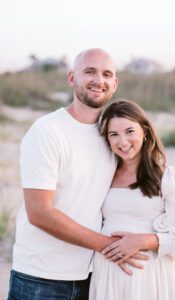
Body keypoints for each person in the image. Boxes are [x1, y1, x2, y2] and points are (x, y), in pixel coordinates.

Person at [8, 49, 143, 300]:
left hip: (90, 276)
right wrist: (109, 247)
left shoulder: (113, 136)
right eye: (89, 72)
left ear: (115, 83)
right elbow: (39, 212)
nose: (98, 80)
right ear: (72, 78)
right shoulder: (48, 131)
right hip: (41, 278)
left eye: (106, 74)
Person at [89, 99, 175, 300]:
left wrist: (141, 241)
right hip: (108, 276)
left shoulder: (167, 177)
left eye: (130, 131)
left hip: (151, 278)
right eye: (114, 134)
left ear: (144, 131)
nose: (123, 141)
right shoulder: (102, 176)